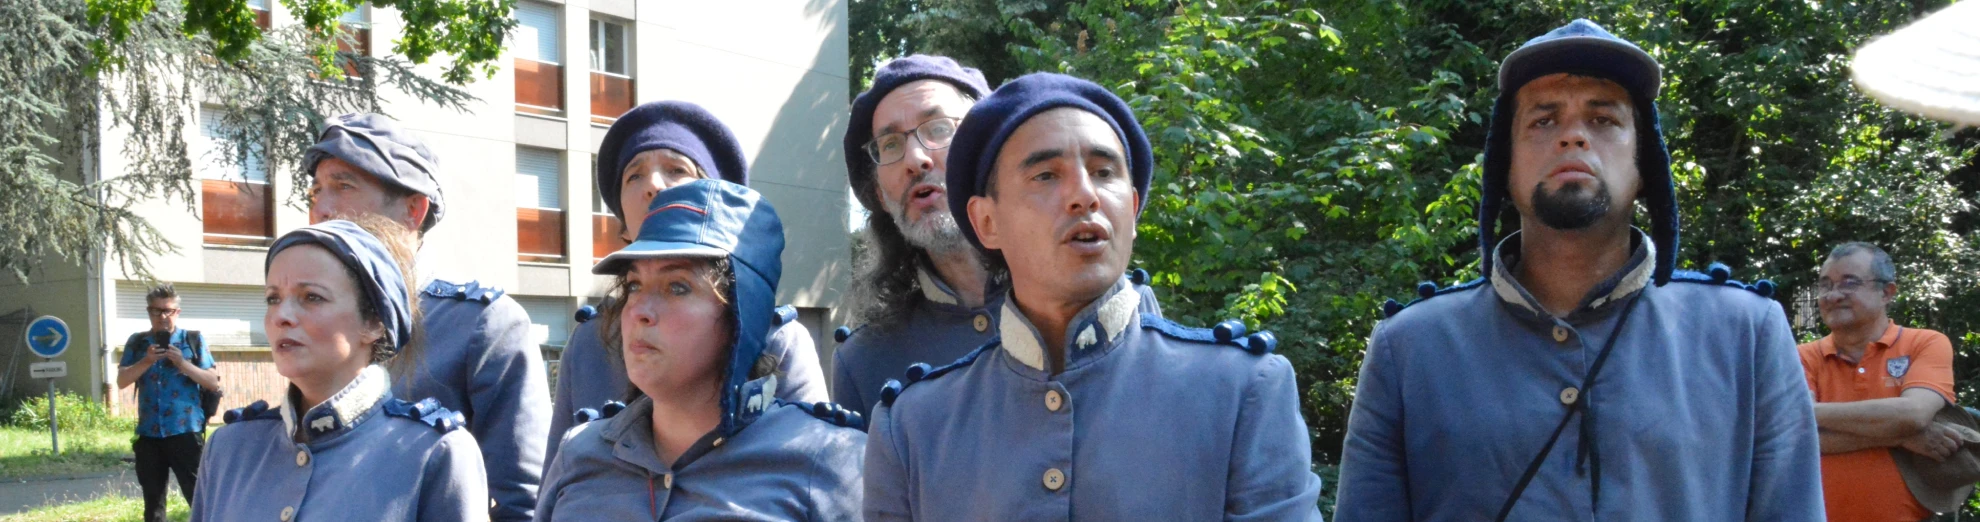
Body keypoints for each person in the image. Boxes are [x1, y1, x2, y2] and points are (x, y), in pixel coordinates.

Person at [1334, 20, 1823, 521]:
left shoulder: (1745, 333)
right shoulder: (1409, 347)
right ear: (1505, 166)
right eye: (1543, 121)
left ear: (1644, 163)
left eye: (1603, 120)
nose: (1572, 137)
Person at [862, 72, 1323, 520]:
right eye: (1046, 175)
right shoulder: (914, 427)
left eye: (1104, 172)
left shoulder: (1241, 391)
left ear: (1134, 209)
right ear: (986, 222)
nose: (1085, 195)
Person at [835, 55, 1163, 417]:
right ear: (880, 194)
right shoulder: (863, 360)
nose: (915, 159)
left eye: (939, 128)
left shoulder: (1119, 301)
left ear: (990, 154)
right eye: (890, 145)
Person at [536, 179, 865, 520]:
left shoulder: (829, 462)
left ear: (742, 313)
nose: (638, 311)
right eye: (633, 285)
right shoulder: (578, 453)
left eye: (677, 287)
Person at [545, 101, 827, 465]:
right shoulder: (589, 342)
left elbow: (813, 468)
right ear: (623, 225)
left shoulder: (778, 338)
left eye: (676, 169)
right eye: (634, 176)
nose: (653, 185)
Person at [302, 113, 546, 521]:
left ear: (413, 210)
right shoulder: (314, 317)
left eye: (343, 187)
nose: (321, 210)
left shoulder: (484, 325)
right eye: (316, 191)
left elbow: (522, 501)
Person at [192, 217, 487, 521]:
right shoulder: (229, 449)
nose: (282, 315)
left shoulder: (434, 452)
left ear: (374, 322)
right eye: (273, 298)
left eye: (312, 297)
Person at [1800, 242, 1960, 521]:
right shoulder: (1801, 356)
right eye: (1825, 285)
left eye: (1849, 283)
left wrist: (1807, 412)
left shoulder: (1925, 343)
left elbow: (1914, 413)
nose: (1833, 295)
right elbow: (1794, 439)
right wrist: (1901, 436)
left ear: (1886, 292)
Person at [117, 284, 221, 522]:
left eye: (168, 311)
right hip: (149, 435)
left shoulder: (192, 339)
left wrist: (182, 363)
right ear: (148, 312)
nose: (162, 317)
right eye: (156, 311)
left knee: (199, 498)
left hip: (185, 431)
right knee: (153, 504)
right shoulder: (137, 342)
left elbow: (212, 382)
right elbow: (122, 381)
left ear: (177, 312)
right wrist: (146, 360)